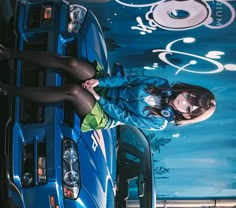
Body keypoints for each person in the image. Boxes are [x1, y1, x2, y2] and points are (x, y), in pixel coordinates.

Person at [0, 44, 216, 132]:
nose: (184, 102)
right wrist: (99, 83)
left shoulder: (159, 122)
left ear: (186, 116)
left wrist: (97, 97)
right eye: (190, 97)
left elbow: (124, 116)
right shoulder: (161, 84)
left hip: (106, 113)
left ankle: (7, 90)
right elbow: (125, 82)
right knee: (73, 64)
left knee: (74, 92)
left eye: (189, 108)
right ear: (188, 89)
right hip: (106, 89)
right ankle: (9, 53)